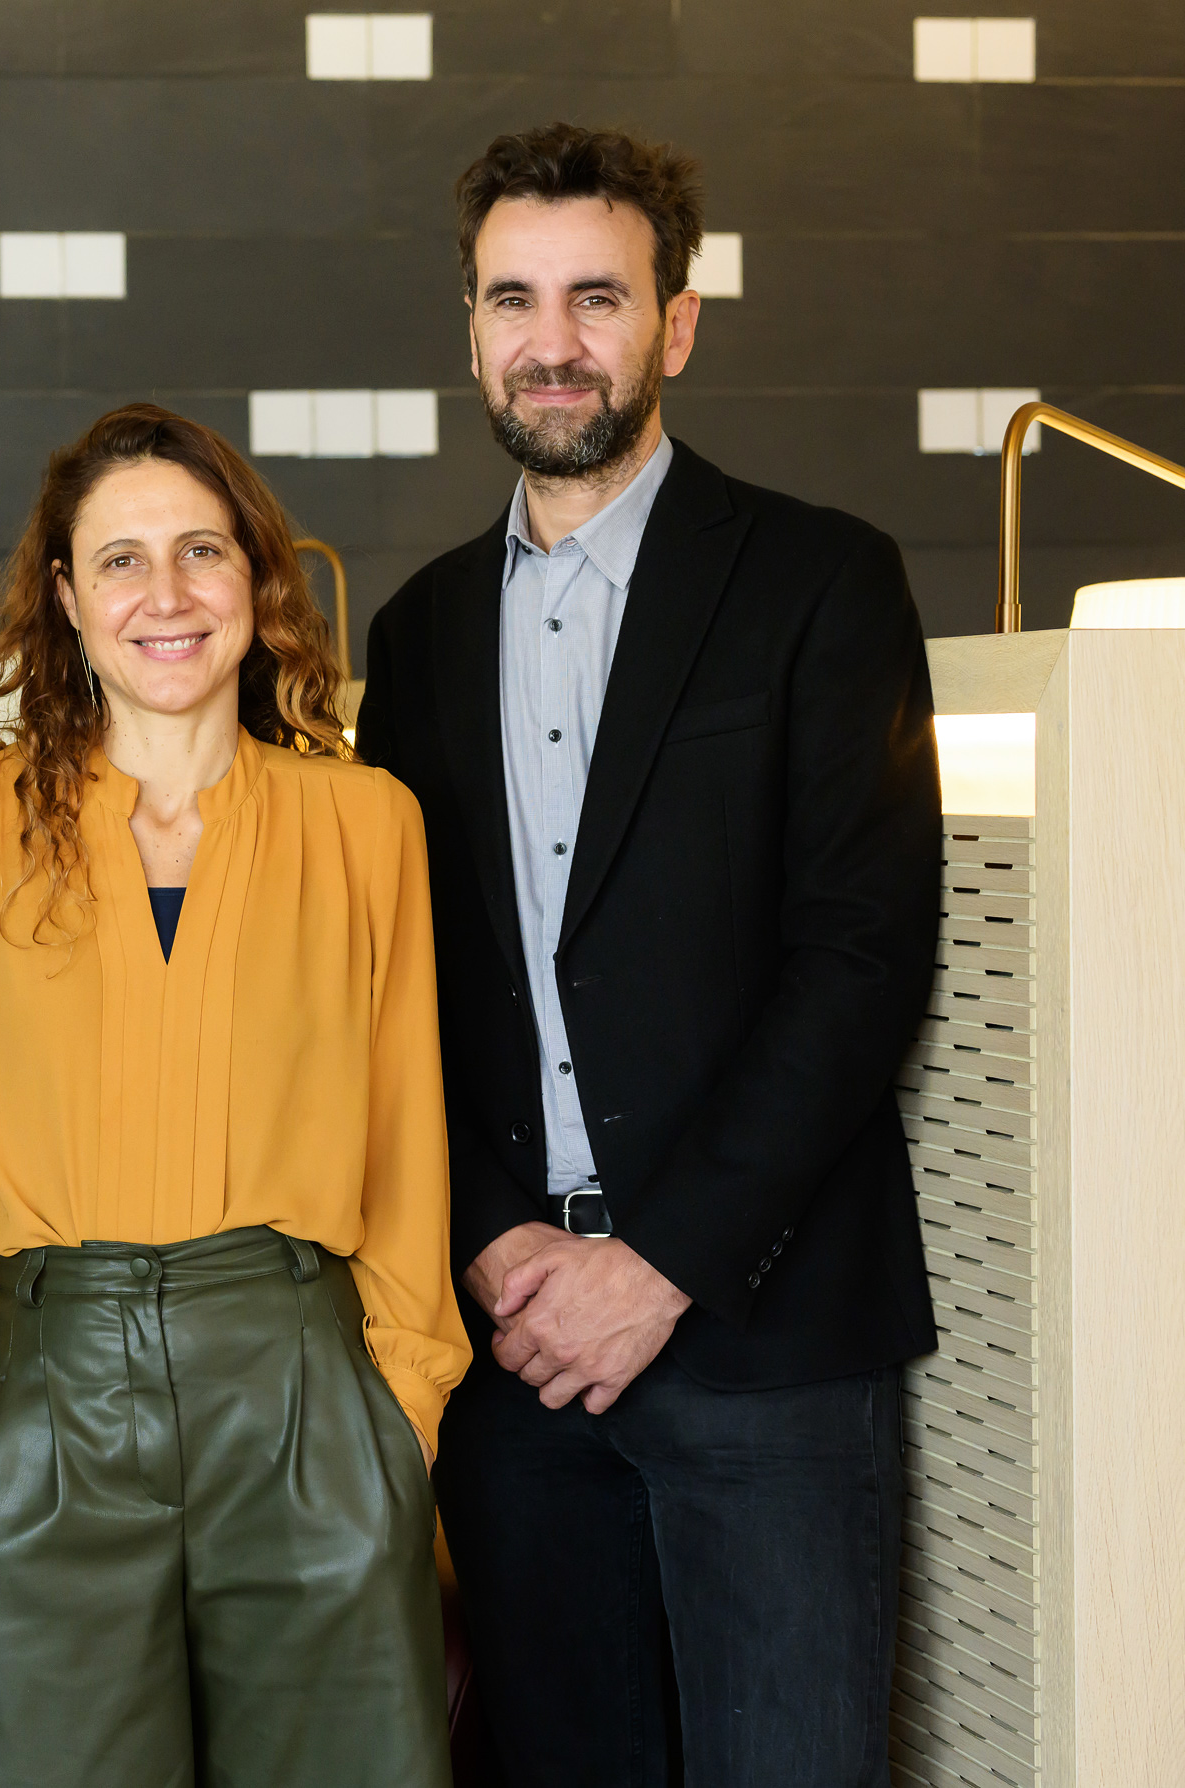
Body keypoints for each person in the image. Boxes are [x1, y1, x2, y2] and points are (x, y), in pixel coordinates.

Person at [354, 123, 943, 1786]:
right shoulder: (414, 637)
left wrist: (660, 1260)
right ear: (469, 330)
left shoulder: (823, 582)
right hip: (519, 1358)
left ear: (675, 325)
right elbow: (406, 993)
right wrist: (488, 1243)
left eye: (598, 297)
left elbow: (861, 957)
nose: (556, 342)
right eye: (516, 300)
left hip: (764, 1345)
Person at [0, 403, 468, 1787]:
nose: (166, 595)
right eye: (121, 560)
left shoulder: (366, 822)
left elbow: (407, 1130)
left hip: (303, 1390)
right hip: (49, 1394)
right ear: (66, 602)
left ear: (257, 581)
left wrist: (401, 1402)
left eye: (201, 551)